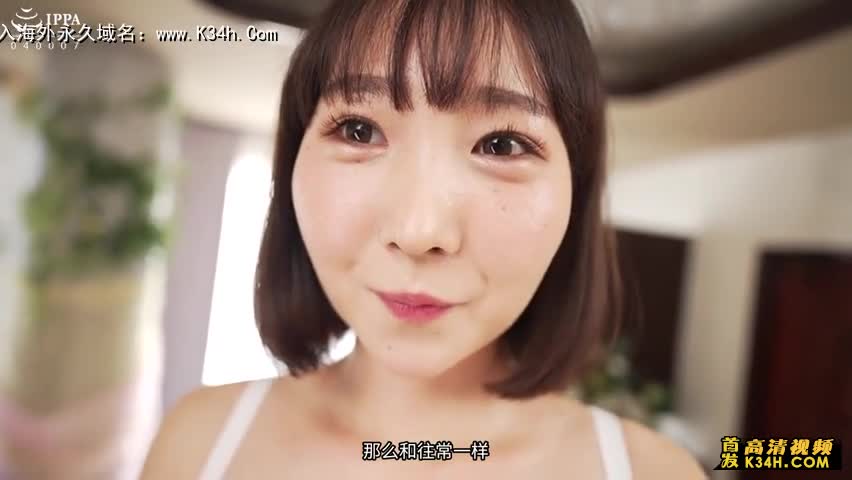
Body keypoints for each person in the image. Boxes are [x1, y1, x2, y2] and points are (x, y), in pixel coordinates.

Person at [141, 0, 708, 478]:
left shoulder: (654, 472)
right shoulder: (199, 440)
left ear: (575, 198)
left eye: (502, 145)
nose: (418, 232)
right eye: (359, 130)